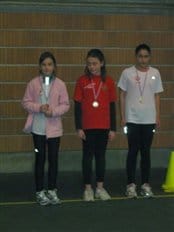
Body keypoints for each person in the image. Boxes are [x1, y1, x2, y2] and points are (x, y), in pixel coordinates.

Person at [22, 51, 70, 205]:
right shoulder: (33, 83)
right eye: (44, 65)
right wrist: (39, 107)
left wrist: (53, 112)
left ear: (54, 66)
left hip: (55, 130)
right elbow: (26, 102)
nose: (47, 67)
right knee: (40, 159)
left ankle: (52, 190)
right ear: (40, 67)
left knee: (54, 160)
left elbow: (65, 105)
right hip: (38, 130)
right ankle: (39, 191)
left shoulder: (61, 84)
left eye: (49, 64)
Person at [118, 43, 163, 198]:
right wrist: (123, 116)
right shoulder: (127, 73)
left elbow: (157, 95)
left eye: (146, 56)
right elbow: (122, 94)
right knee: (132, 151)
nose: (143, 60)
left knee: (146, 152)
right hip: (132, 119)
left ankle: (145, 184)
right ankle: (130, 185)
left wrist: (157, 115)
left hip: (149, 119)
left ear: (149, 57)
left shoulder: (155, 73)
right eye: (140, 56)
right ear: (136, 57)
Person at [74, 49, 117, 201]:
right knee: (87, 157)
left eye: (95, 63)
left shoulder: (109, 81)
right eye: (89, 64)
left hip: (104, 127)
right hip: (87, 127)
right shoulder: (82, 81)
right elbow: (77, 105)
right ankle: (87, 189)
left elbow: (112, 106)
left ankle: (99, 187)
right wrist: (78, 127)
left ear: (102, 63)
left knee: (101, 157)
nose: (92, 67)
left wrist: (113, 128)